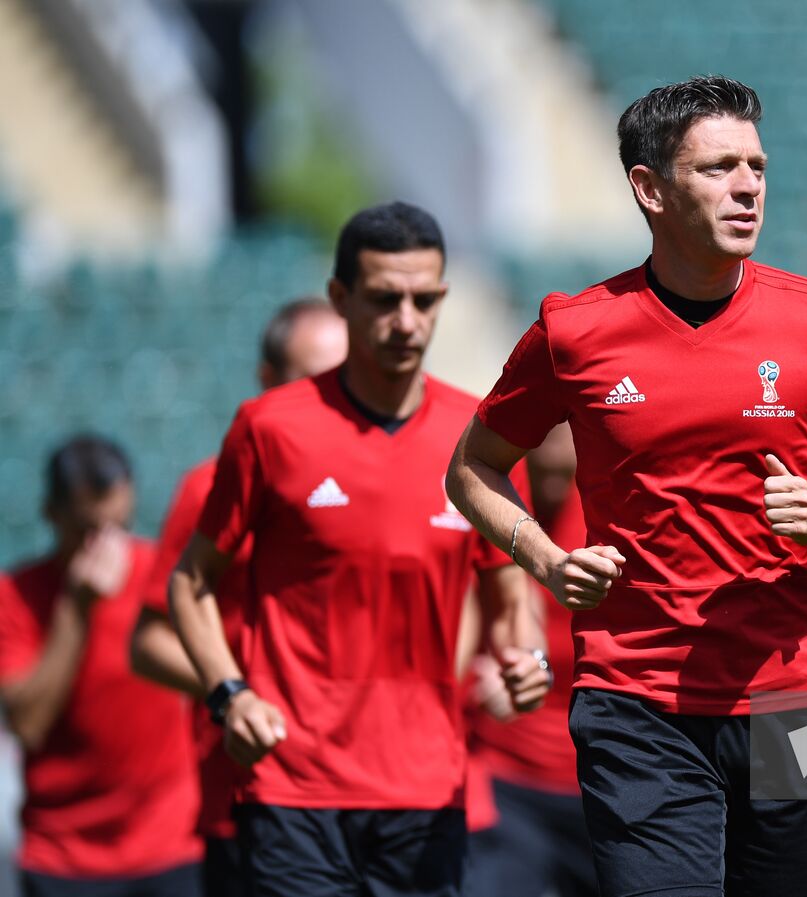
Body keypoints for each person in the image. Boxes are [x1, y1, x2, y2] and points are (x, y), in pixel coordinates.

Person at [446, 75, 807, 897]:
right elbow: (470, 467)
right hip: (638, 699)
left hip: (795, 703)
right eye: (718, 169)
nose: (747, 187)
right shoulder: (575, 329)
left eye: (757, 167)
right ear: (649, 189)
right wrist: (546, 557)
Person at [167, 202, 550, 897]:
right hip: (294, 785)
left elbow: (511, 601)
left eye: (425, 299)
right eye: (384, 299)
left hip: (427, 786)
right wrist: (230, 696)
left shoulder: (480, 442)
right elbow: (190, 581)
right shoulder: (269, 428)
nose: (407, 321)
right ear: (340, 299)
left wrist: (527, 659)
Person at [129, 298, 346, 897]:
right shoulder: (210, 486)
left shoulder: (393, 479)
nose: (331, 399)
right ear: (267, 382)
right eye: (311, 381)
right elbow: (148, 644)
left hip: (383, 788)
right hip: (250, 793)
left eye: (343, 379)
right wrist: (237, 692)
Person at [0, 436, 203, 897]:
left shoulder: (163, 576)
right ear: (52, 514)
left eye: (119, 527)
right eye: (88, 532)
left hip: (170, 847)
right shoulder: (17, 597)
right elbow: (27, 724)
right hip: (66, 858)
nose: (107, 548)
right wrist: (76, 610)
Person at [467, 423, 599, 897]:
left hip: (616, 786)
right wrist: (473, 679)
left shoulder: (624, 513)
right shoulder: (477, 502)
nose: (554, 427)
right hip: (508, 785)